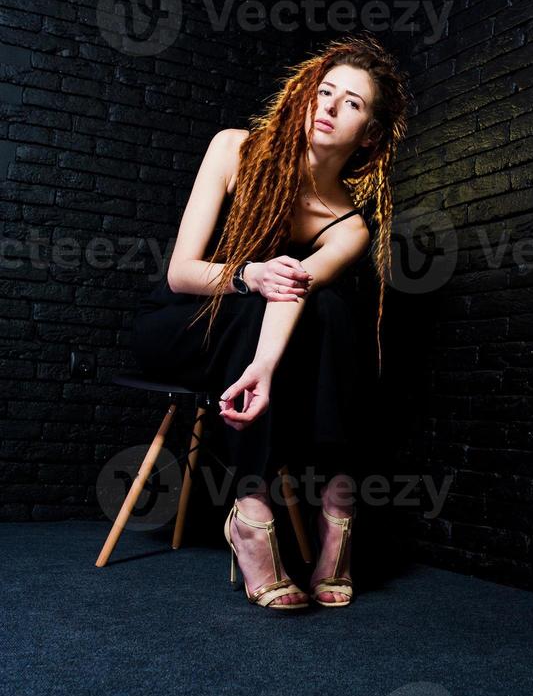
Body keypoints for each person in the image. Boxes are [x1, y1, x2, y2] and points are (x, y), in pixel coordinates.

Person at [130, 32, 410, 610]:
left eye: (351, 103)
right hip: (183, 325)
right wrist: (247, 275)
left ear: (372, 134)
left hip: (261, 343)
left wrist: (263, 365)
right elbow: (181, 273)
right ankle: (263, 504)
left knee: (329, 306)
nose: (329, 108)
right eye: (324, 91)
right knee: (265, 299)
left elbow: (297, 292)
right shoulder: (234, 148)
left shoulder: (349, 226)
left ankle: (327, 503)